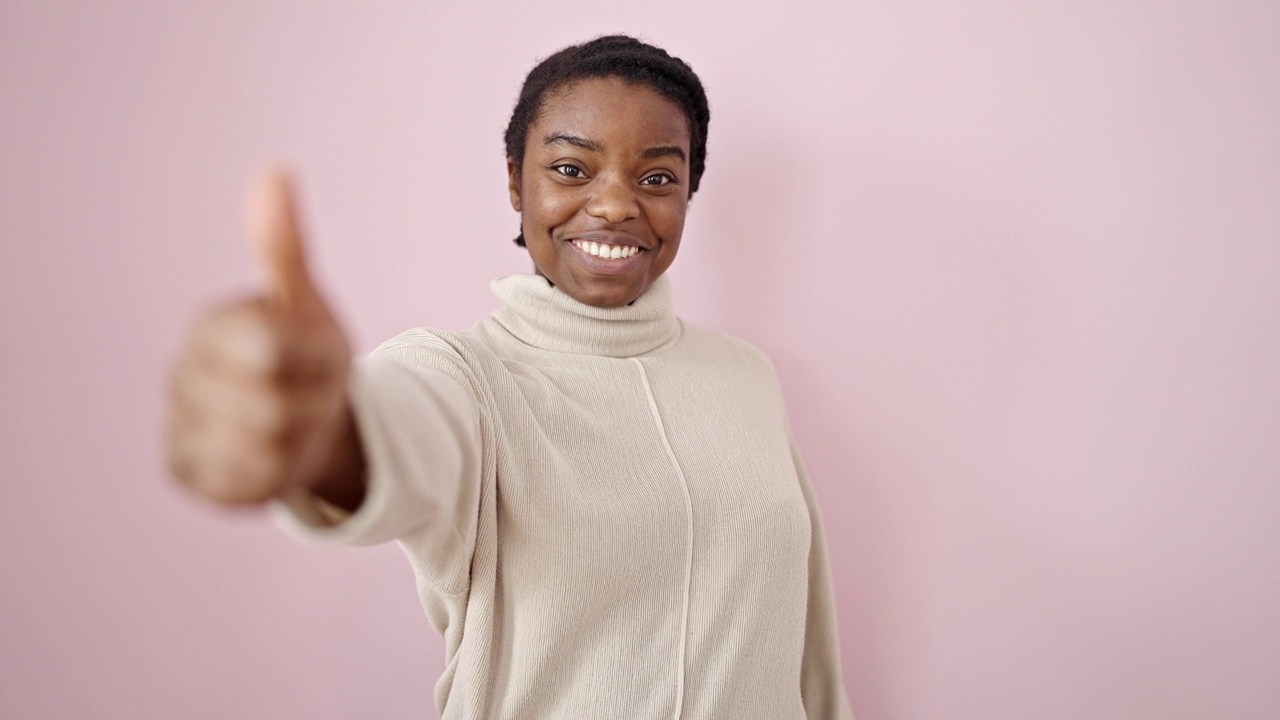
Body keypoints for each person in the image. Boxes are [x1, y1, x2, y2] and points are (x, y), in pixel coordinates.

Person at [166, 35, 854, 719]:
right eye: (571, 169)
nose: (615, 205)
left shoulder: (746, 377)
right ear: (515, 181)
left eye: (656, 178)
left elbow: (809, 653)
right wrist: (322, 430)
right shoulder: (467, 378)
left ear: (688, 194)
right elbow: (394, 431)